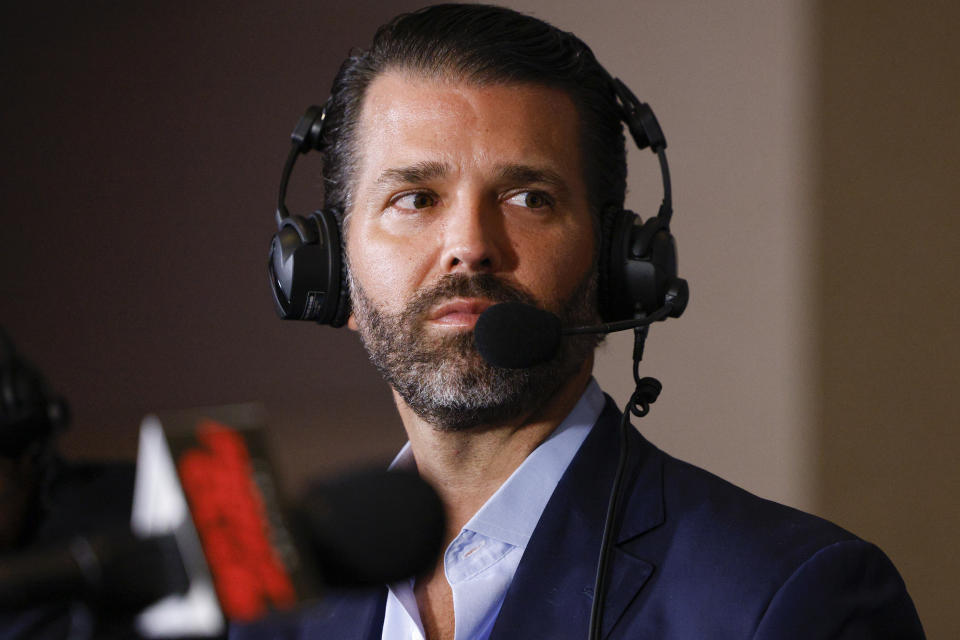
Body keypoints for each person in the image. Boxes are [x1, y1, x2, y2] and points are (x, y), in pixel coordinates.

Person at [242, 4, 924, 639]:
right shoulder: (269, 606)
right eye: (415, 198)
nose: (469, 244)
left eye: (528, 197)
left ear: (616, 266)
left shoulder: (790, 598)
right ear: (332, 276)